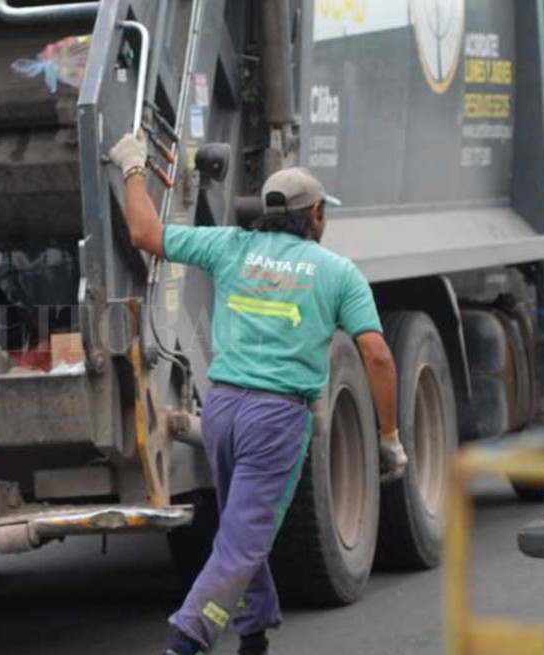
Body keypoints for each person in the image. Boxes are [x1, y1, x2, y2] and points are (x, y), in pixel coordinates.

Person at [107, 133, 409, 655]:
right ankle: (187, 640)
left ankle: (254, 633)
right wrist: (389, 435)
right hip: (276, 420)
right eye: (323, 212)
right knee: (244, 540)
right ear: (314, 216)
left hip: (222, 410)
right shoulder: (338, 273)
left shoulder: (229, 246)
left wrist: (133, 169)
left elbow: (144, 233)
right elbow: (378, 356)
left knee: (243, 526)